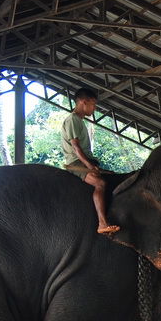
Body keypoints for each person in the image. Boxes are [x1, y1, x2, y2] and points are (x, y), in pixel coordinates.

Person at [61, 87, 120, 234]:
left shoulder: (79, 121)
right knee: (100, 183)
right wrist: (88, 165)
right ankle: (102, 223)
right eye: (93, 104)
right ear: (83, 102)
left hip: (85, 161)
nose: (94, 108)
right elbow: (75, 147)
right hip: (76, 163)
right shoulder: (72, 120)